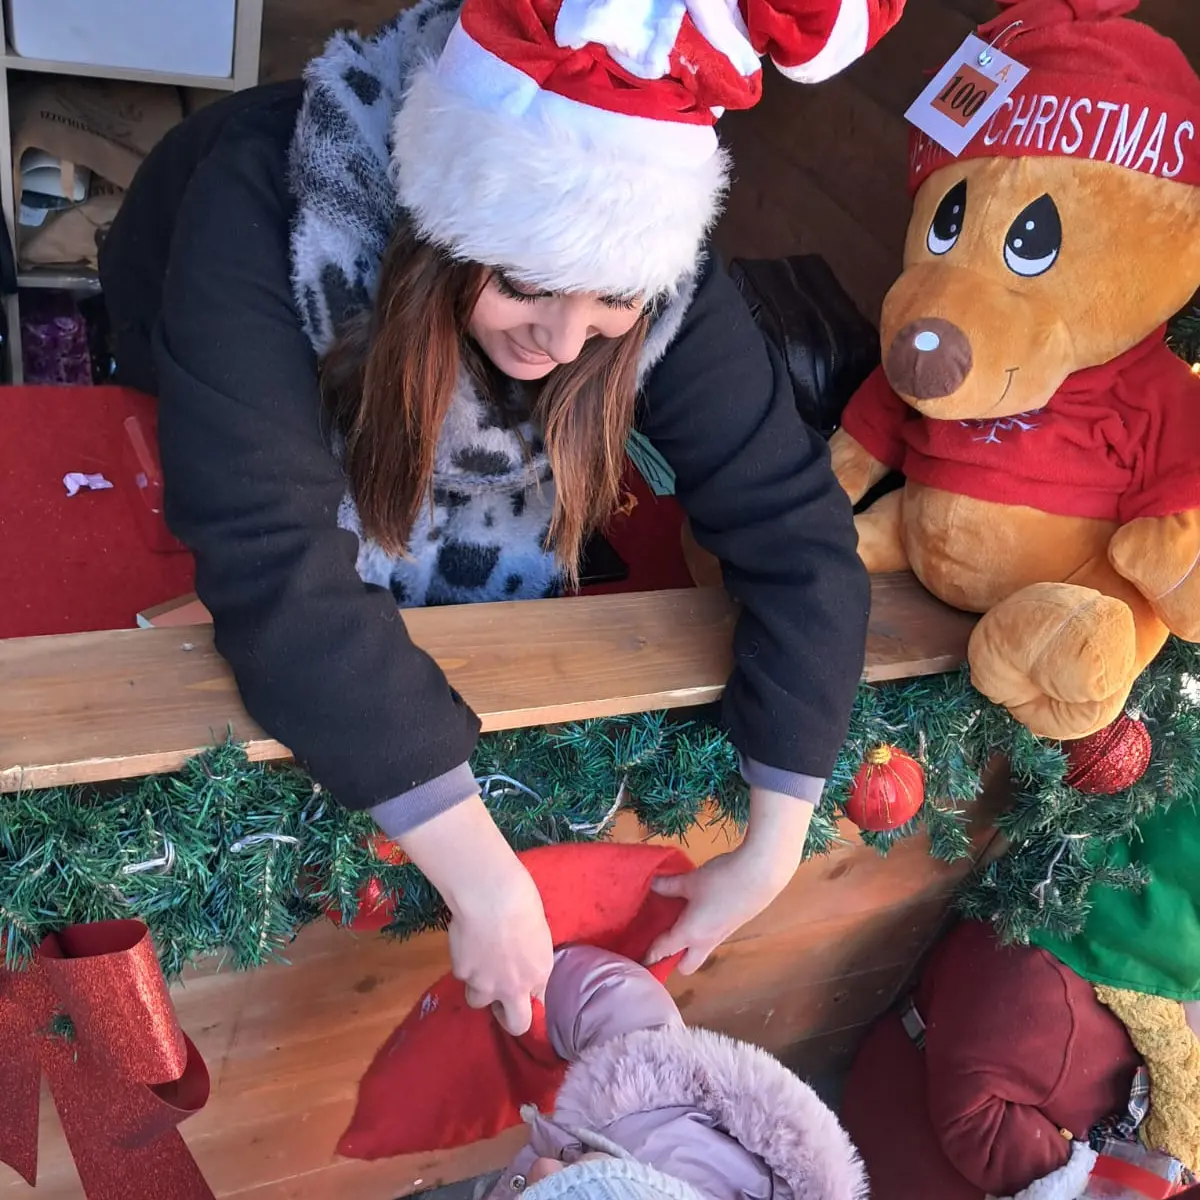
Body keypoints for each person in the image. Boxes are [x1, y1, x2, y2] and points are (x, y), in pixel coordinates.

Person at [99, 0, 903, 1036]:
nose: (569, 344)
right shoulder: (265, 198)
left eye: (613, 302)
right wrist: (481, 877)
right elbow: (268, 551)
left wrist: (776, 839)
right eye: (528, 285)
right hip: (192, 292)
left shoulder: (650, 261)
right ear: (446, 229)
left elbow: (795, 529)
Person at [488, 943, 868, 1200]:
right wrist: (528, 978)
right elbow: (604, 995)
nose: (544, 1167)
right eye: (576, 1177)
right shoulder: (650, 1115)